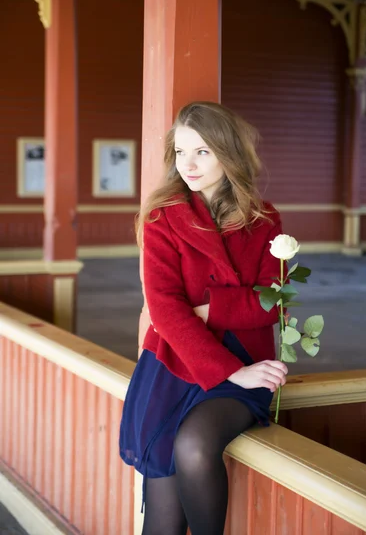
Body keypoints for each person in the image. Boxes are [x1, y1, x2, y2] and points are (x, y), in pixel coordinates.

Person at [119, 101, 288, 535]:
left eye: (202, 152)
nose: (188, 164)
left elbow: (275, 301)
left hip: (248, 362)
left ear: (227, 152)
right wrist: (231, 367)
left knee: (194, 445)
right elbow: (165, 309)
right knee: (163, 512)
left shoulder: (264, 219)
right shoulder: (162, 217)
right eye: (180, 152)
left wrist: (210, 310)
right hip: (177, 363)